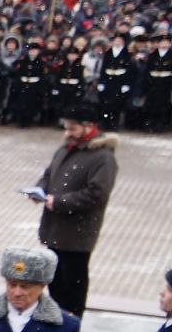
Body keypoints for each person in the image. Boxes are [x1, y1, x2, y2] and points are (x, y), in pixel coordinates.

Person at [32, 115, 119, 317]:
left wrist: (60, 202)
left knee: (73, 285)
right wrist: (40, 191)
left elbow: (97, 193)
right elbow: (48, 174)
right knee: (55, 281)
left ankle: (72, 326)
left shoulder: (102, 157)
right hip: (55, 228)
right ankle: (57, 323)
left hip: (77, 234)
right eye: (66, 128)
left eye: (72, 129)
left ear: (88, 127)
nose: (67, 133)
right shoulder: (66, 149)